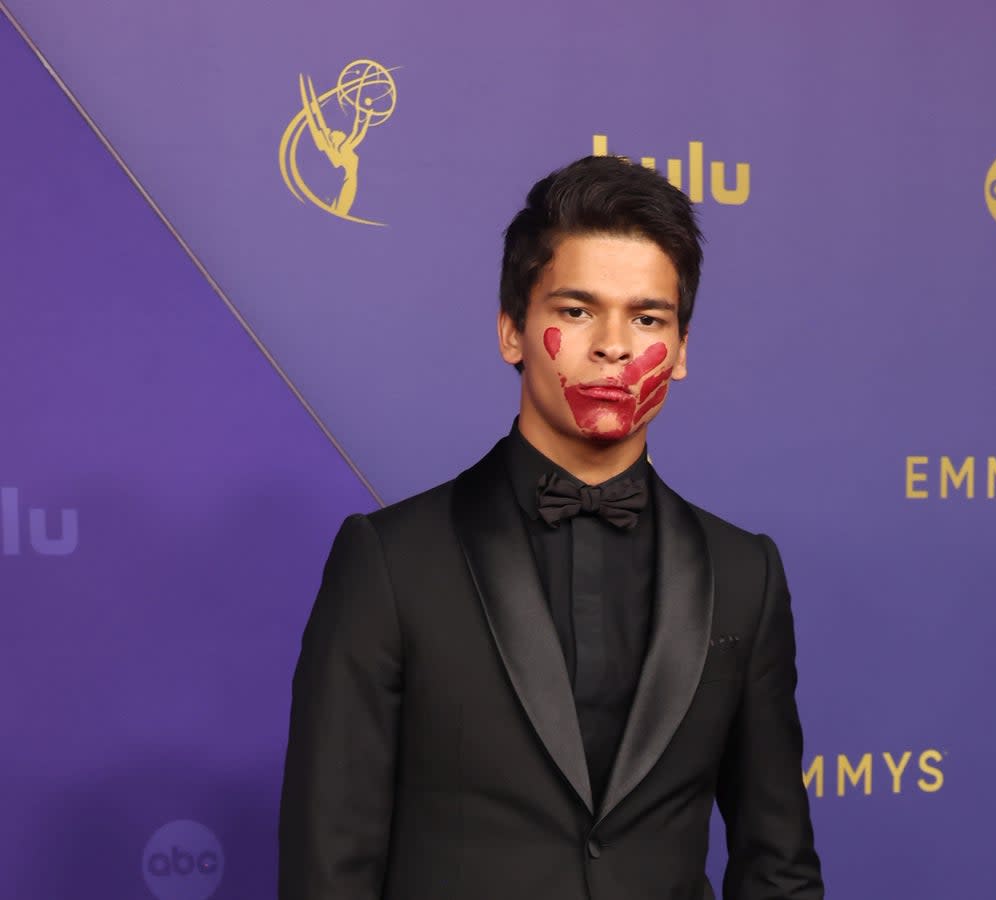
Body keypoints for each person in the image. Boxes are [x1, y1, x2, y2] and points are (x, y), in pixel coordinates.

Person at [278, 155, 823, 900]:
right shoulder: (390, 563)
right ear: (512, 332)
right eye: (576, 310)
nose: (613, 345)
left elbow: (778, 865)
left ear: (684, 351)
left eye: (648, 317)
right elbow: (328, 868)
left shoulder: (745, 574)